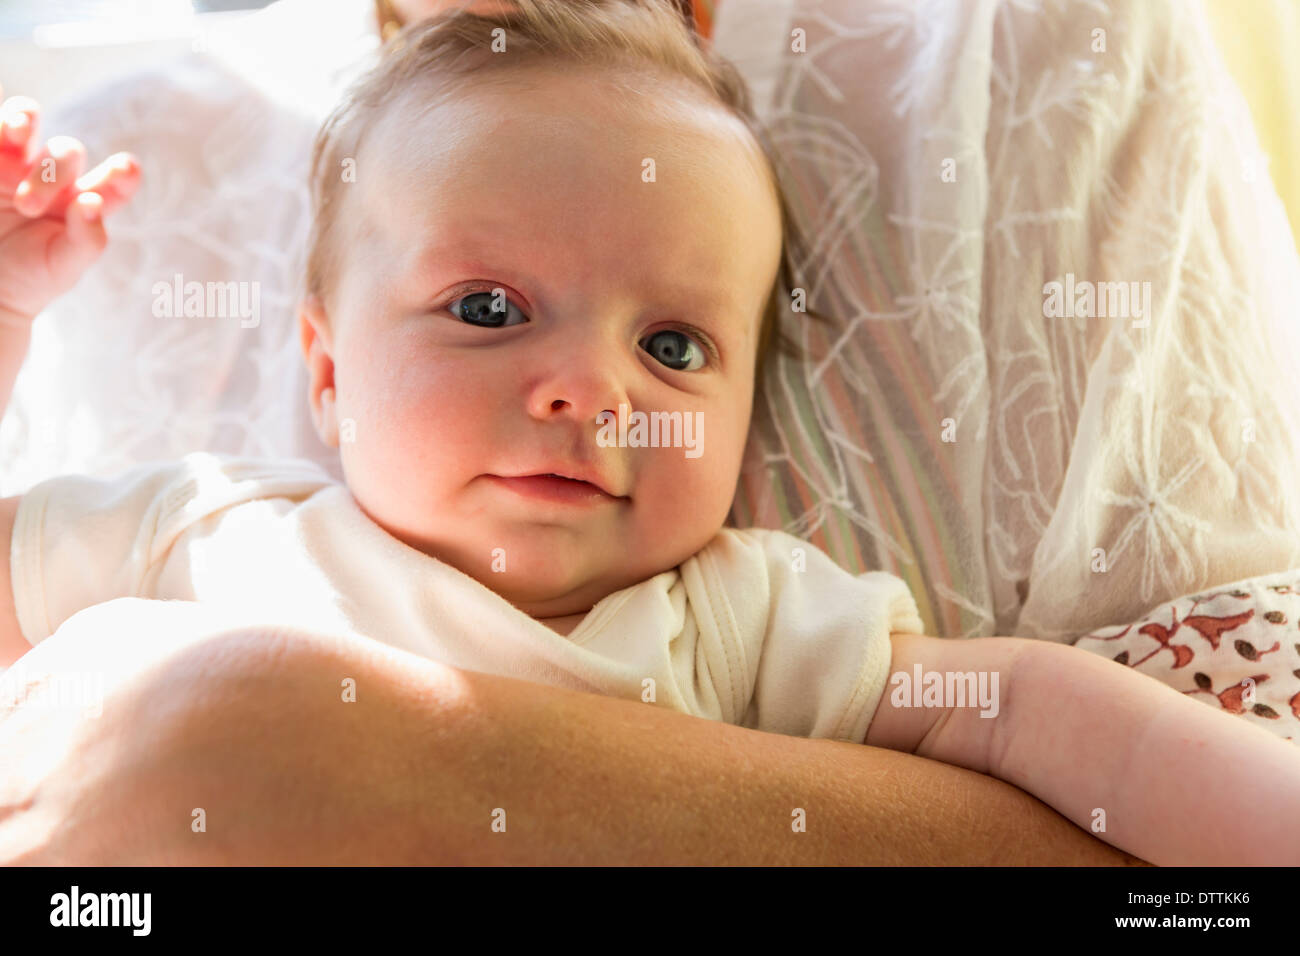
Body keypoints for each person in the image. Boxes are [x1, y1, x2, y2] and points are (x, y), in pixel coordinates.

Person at [0, 0, 1167, 866]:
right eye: (489, 310)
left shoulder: (733, 619)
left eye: (670, 348)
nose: (590, 394)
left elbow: (1031, 707)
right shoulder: (212, 533)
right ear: (327, 369)